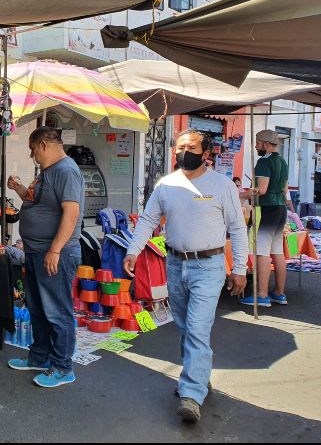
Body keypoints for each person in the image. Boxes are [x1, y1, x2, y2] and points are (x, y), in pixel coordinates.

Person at [123, 129, 248, 424]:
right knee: (185, 326)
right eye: (180, 147)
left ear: (206, 153)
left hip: (209, 265)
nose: (183, 152)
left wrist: (240, 268)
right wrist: (133, 250)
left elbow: (238, 228)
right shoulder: (166, 185)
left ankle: (191, 394)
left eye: (191, 147)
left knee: (196, 327)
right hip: (175, 264)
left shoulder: (222, 185)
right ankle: (199, 374)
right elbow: (148, 219)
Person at [5, 126, 84, 388]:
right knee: (38, 308)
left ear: (44, 145)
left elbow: (71, 213)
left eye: (32, 149)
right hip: (36, 251)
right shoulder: (48, 172)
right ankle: (40, 356)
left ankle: (62, 367)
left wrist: (55, 249)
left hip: (55, 254)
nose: (31, 156)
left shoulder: (66, 170)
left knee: (57, 310)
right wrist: (18, 188)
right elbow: (34, 200)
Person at [240, 129, 290, 308]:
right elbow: (284, 189)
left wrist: (241, 195)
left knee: (262, 252)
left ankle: (261, 295)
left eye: (257, 142)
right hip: (280, 208)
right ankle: (279, 293)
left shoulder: (264, 161)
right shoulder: (283, 162)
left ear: (266, 144)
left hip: (267, 209)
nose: (255, 146)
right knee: (277, 251)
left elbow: (261, 190)